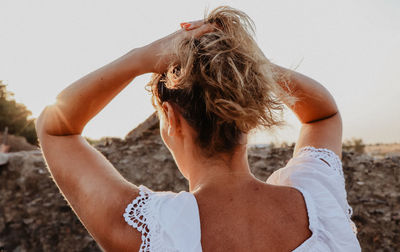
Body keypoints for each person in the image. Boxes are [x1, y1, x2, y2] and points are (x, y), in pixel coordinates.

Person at [36, 6, 361, 252]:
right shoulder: (320, 201)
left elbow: (55, 128)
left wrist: (139, 58)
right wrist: (253, 67)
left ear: (170, 117)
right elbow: (322, 115)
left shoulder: (150, 231)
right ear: (246, 115)